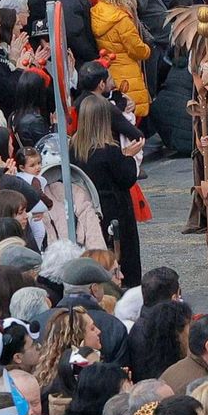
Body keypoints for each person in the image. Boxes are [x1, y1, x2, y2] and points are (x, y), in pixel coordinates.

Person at [70, 95, 143, 285]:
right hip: (115, 209)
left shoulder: (74, 148)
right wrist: (128, 157)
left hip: (86, 209)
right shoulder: (109, 150)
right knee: (122, 256)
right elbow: (127, 178)